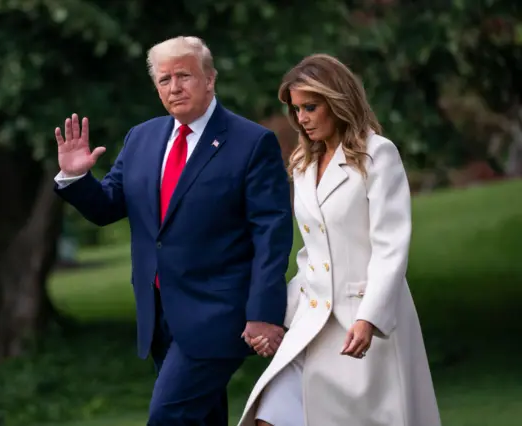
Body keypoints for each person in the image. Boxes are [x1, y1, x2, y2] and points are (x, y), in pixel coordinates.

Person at [52, 36, 294, 426]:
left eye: (184, 75)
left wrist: (263, 312)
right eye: (164, 80)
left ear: (210, 79)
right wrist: (77, 178)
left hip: (220, 314)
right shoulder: (142, 137)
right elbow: (107, 207)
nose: (174, 87)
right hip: (159, 313)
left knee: (169, 417)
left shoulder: (252, 143)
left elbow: (272, 232)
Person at [237, 54, 441, 426]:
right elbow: (311, 255)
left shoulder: (378, 154)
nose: (302, 118)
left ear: (338, 101)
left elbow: (390, 247)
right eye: (296, 109)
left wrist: (369, 319)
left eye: (311, 107)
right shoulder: (302, 162)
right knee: (268, 418)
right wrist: (275, 317)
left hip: (362, 326)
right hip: (311, 325)